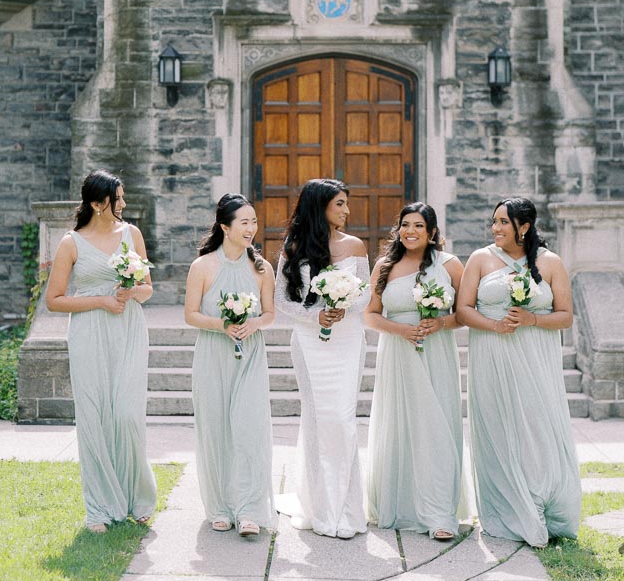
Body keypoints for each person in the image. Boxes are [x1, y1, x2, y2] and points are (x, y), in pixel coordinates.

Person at [456, 196, 581, 547]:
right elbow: (463, 309)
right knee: (499, 425)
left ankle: (542, 502)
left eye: (502, 222)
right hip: (493, 354)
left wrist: (533, 319)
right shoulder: (480, 259)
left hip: (535, 356)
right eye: (493, 221)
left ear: (523, 227)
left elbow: (565, 315)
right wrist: (493, 326)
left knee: (537, 428)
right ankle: (507, 508)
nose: (495, 228)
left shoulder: (550, 262)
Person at [45, 169, 156, 534]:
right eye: (117, 199)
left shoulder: (132, 234)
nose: (123, 204)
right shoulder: (71, 243)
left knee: (126, 415)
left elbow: (147, 289)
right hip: (89, 334)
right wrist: (102, 301)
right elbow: (55, 301)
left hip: (127, 331)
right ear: (96, 203)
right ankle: (99, 508)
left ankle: (137, 498)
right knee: (93, 419)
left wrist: (131, 292)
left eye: (123, 197)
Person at [274, 179, 369, 539]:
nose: (346, 211)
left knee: (342, 418)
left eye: (347, 203)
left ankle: (346, 510)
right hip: (310, 340)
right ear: (320, 206)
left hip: (346, 340)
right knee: (317, 418)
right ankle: (319, 507)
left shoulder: (355, 245)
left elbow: (364, 294)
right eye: (340, 204)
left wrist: (342, 307)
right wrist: (315, 316)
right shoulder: (294, 246)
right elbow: (282, 300)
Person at [363, 202, 464, 540]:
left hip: (436, 352)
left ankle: (439, 513)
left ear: (432, 232)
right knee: (401, 425)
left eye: (419, 226)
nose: (410, 231)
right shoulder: (385, 266)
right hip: (397, 352)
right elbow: (371, 315)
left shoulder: (450, 265)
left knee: (435, 425)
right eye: (406, 224)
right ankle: (400, 504)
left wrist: (441, 322)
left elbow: (466, 313)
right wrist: (401, 331)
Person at [184, 193, 276, 536]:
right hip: (212, 353)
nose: (251, 228)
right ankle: (220, 506)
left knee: (249, 427)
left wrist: (254, 324)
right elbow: (190, 314)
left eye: (254, 221)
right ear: (225, 226)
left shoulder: (262, 268)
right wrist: (222, 326)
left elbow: (269, 314)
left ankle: (250, 508)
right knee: (216, 428)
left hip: (251, 352)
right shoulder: (203, 266)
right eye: (244, 222)